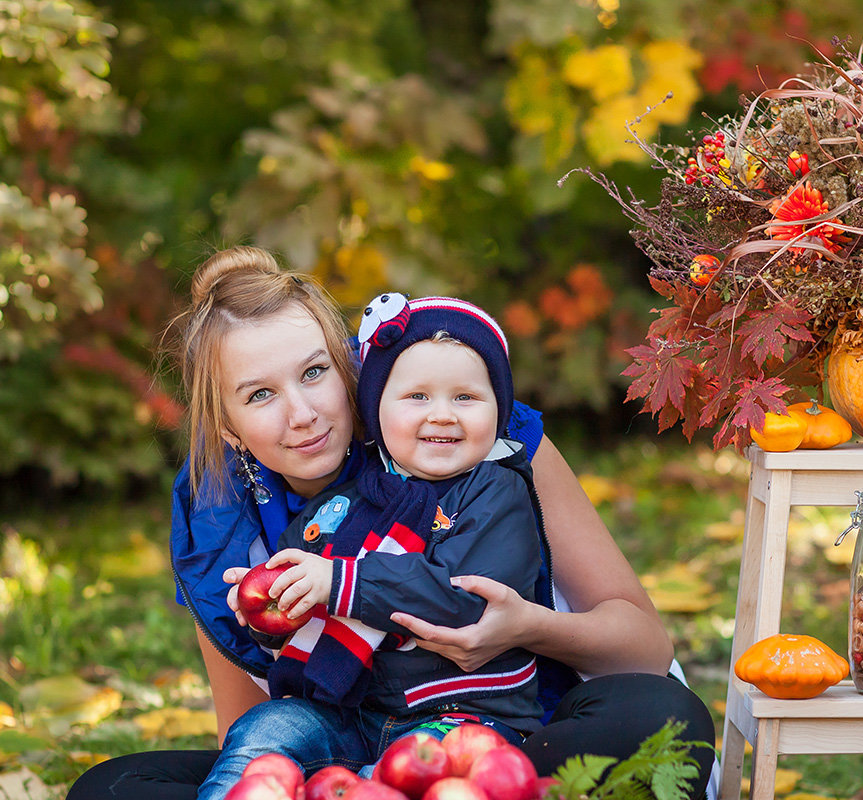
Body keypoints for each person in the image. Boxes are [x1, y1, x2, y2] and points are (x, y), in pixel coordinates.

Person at [65, 246, 715, 800]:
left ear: (349, 367)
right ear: (227, 430)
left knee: (660, 716)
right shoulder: (218, 516)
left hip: (517, 734)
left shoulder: (469, 435)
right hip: (351, 757)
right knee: (111, 789)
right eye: (260, 394)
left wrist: (528, 627)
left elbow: (646, 650)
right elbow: (253, 733)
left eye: (315, 373)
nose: (302, 414)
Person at [197, 293, 547, 798]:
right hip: (353, 711)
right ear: (375, 409)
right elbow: (308, 600)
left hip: (461, 715)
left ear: (499, 408)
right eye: (418, 398)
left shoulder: (497, 492)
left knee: (383, 786)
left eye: (466, 398)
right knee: (263, 732)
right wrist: (273, 613)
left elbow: (464, 597)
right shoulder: (349, 500)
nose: (443, 416)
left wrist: (337, 582)